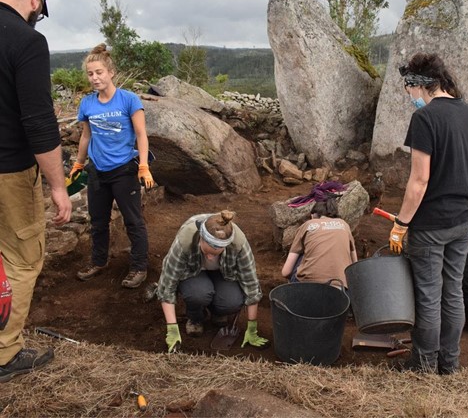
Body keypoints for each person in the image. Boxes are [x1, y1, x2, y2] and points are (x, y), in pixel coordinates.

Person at [389, 53, 468, 375]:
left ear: (420, 85)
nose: (410, 97)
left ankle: (423, 365)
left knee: (429, 295)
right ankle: (449, 364)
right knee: (452, 290)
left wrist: (401, 224)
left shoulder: (425, 119)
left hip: (432, 225)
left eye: (409, 90)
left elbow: (419, 181)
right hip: (465, 219)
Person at [0, 0, 72, 383]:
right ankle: (5, 354)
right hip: (9, 170)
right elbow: (39, 122)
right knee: (23, 259)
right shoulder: (27, 40)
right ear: (36, 0)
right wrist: (58, 186)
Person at [71, 44, 153, 289]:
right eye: (90, 74)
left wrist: (144, 166)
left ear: (111, 72)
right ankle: (98, 261)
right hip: (98, 170)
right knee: (97, 221)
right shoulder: (87, 104)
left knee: (133, 221)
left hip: (124, 169)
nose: (94, 78)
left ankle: (139, 267)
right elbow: (86, 136)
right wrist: (78, 162)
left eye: (99, 72)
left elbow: (141, 134)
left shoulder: (128, 99)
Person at [157, 211, 269, 353]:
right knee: (198, 294)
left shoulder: (239, 243)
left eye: (215, 253)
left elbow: (251, 285)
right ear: (201, 239)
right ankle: (195, 317)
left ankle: (218, 311)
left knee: (232, 302)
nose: (210, 258)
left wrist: (252, 328)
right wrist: (172, 329)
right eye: (207, 252)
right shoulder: (185, 242)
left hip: (223, 273)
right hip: (194, 272)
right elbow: (167, 286)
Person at [281, 198, 357, 287]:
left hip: (307, 286)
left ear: (313, 215)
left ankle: (294, 294)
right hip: (340, 287)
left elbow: (286, 272)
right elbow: (355, 266)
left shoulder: (308, 225)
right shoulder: (344, 225)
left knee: (302, 255)